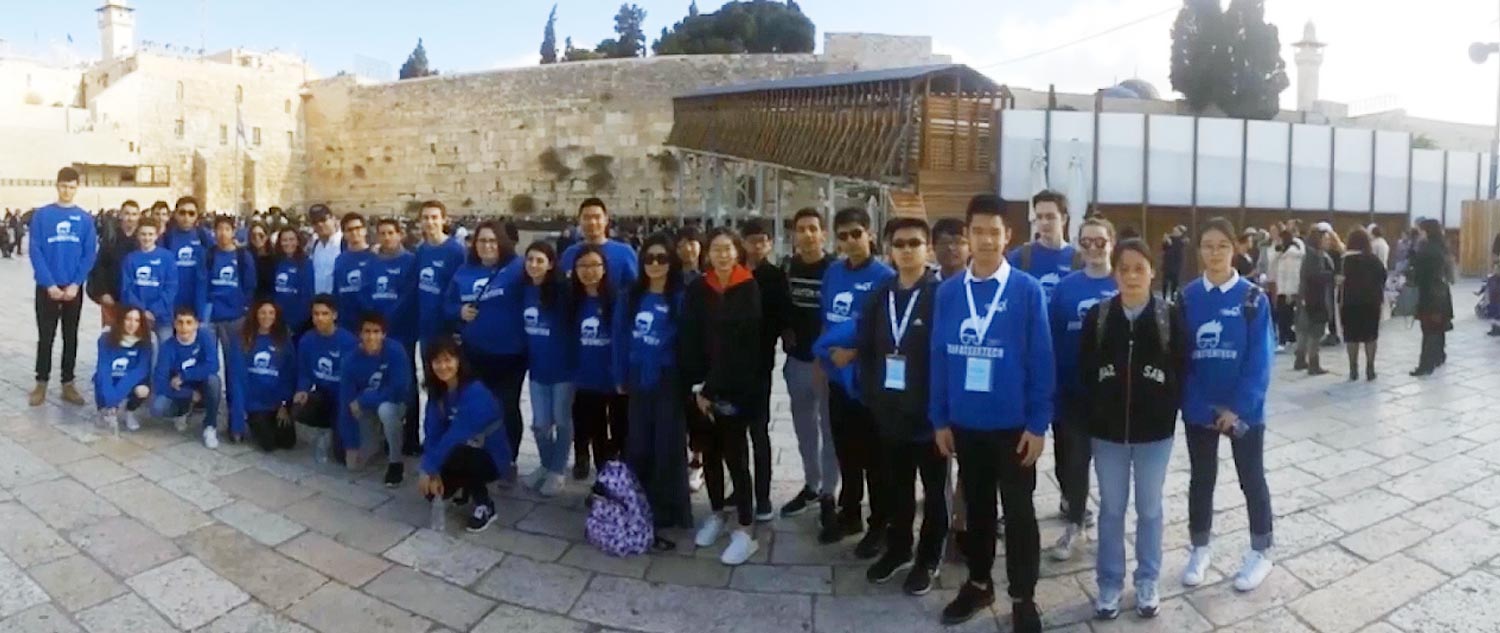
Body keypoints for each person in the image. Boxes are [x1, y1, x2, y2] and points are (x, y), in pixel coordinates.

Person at [929, 194, 1052, 630]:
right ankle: (980, 583)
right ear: (967, 236)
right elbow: (939, 357)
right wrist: (940, 418)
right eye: (977, 232)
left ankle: (1023, 596)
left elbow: (1042, 361)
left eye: (993, 232)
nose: (985, 240)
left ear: (1008, 236)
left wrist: (1038, 424)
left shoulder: (1026, 290)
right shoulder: (948, 292)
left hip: (1015, 427)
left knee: (1019, 514)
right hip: (966, 424)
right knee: (977, 510)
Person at [1077, 238, 1185, 620]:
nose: (1132, 275)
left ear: (1152, 272)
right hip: (1107, 434)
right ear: (1115, 272)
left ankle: (1147, 578)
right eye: (1124, 268)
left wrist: (1167, 407)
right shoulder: (1100, 316)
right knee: (1111, 509)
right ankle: (1109, 582)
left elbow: (1182, 369)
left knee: (1150, 508)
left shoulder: (1169, 316)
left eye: (1140, 268)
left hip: (1155, 434)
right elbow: (1085, 371)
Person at [842, 217, 947, 594]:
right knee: (896, 487)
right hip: (889, 413)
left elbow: (947, 357)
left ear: (928, 248)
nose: (906, 250)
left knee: (934, 493)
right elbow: (867, 350)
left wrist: (942, 412)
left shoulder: (941, 295)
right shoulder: (880, 295)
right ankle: (899, 547)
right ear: (889, 249)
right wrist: (873, 398)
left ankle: (929, 556)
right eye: (899, 244)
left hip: (929, 417)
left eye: (914, 243)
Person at [1179, 217, 1276, 593]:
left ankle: (1261, 549)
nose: (1215, 253)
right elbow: (1182, 359)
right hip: (1200, 409)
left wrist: (1238, 407)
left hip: (1243, 413)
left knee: (1252, 478)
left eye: (1222, 245)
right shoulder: (1187, 298)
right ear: (1199, 250)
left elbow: (1260, 359)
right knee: (1201, 479)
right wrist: (1201, 408)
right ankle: (1200, 547)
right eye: (1207, 245)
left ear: (1235, 248)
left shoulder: (1253, 298)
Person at [683, 227, 764, 566]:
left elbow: (743, 345)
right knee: (710, 453)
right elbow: (690, 336)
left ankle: (746, 527)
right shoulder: (699, 288)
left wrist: (713, 388)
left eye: (727, 248)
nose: (722, 254)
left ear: (737, 251)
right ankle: (717, 512)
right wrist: (697, 387)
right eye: (715, 248)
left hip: (735, 387)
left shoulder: (748, 287)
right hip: (702, 389)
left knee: (736, 457)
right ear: (707, 253)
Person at [820, 206, 896, 550]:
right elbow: (827, 320)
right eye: (843, 236)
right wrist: (826, 360)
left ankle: (879, 522)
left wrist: (854, 353)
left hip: (869, 381)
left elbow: (888, 331)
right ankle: (848, 512)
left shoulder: (884, 277)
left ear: (870, 235)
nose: (850, 241)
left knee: (875, 458)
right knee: (846, 453)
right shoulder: (833, 273)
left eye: (856, 234)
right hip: (839, 380)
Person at [1046, 217, 1119, 560]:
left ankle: (1112, 526)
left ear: (1111, 243)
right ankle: (1075, 521)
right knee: (1073, 462)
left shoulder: (1123, 283)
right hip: (1072, 391)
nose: (1092, 248)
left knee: (1111, 466)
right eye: (1086, 242)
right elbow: (1051, 337)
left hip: (1113, 394)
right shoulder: (1066, 287)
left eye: (1099, 242)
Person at [617, 233, 693, 542]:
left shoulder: (681, 296)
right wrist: (620, 375)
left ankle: (668, 506)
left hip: (667, 379)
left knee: (667, 443)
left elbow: (688, 342)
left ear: (671, 262)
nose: (655, 264)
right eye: (649, 258)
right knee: (639, 441)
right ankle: (639, 502)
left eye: (661, 258)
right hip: (638, 377)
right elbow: (621, 338)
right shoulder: (632, 295)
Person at [446, 221, 526, 480]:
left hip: (510, 355)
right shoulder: (463, 272)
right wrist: (458, 311)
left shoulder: (516, 269)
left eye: (492, 241)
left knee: (506, 408)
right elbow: (446, 305)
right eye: (482, 241)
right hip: (475, 353)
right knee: (478, 407)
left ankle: (508, 460)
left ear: (502, 243)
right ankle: (482, 458)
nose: (487, 246)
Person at [778, 208, 838, 523]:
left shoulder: (834, 269)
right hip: (797, 362)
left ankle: (830, 491)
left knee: (830, 430)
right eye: (801, 229)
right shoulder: (788, 268)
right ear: (794, 235)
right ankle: (811, 485)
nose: (808, 234)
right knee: (804, 430)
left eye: (813, 228)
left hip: (826, 365)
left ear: (823, 234)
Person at [417, 337, 513, 533]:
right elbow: (432, 433)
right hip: (459, 450)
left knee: (461, 453)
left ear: (459, 361)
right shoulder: (438, 394)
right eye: (437, 361)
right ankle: (463, 487)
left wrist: (429, 468)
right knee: (431, 492)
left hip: (489, 456)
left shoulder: (476, 392)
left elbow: (456, 435)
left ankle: (484, 504)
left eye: (448, 360)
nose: (443, 366)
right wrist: (429, 472)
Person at [29, 167, 98, 407]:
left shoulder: (84, 219)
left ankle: (68, 382)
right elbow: (35, 251)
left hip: (72, 289)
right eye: (63, 186)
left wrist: (76, 283)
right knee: (46, 337)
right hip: (47, 288)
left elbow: (89, 253)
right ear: (57, 186)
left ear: (77, 188)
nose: (67, 191)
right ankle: (41, 382)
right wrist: (48, 284)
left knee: (71, 336)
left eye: (71, 187)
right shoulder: (42, 215)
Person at [741, 218, 789, 522]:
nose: (757, 246)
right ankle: (741, 489)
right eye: (752, 240)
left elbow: (780, 317)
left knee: (758, 430)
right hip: (730, 364)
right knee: (732, 433)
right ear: (743, 242)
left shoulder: (774, 277)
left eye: (763, 240)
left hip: (758, 363)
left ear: (770, 243)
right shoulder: (733, 272)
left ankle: (763, 495)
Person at [521, 241, 575, 496]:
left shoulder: (563, 292)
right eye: (530, 259)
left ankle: (557, 470)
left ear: (551, 264)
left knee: (562, 421)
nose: (534, 265)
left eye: (540, 260)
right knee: (540, 423)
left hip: (563, 370)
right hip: (537, 369)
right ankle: (546, 464)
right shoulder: (525, 290)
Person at [569, 244, 627, 479]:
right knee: (594, 430)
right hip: (585, 379)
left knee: (620, 431)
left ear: (604, 269)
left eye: (594, 265)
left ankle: (615, 476)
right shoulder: (572, 301)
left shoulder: (618, 300)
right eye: (582, 266)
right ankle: (600, 474)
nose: (588, 271)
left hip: (614, 380)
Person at [365, 218, 420, 456]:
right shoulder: (373, 262)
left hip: (401, 332)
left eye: (391, 233)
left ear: (400, 235)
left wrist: (386, 320)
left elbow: (408, 296)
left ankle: (411, 437)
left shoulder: (410, 261)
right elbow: (367, 291)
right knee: (381, 379)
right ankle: (385, 435)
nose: (386, 237)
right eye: (382, 233)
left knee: (406, 383)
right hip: (377, 333)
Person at [339, 313, 412, 483]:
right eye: (367, 331)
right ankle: (376, 441)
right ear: (360, 334)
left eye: (376, 331)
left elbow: (399, 389)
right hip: (366, 409)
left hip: (395, 403)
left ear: (384, 334)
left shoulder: (396, 351)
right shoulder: (350, 360)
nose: (371, 336)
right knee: (353, 465)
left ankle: (395, 462)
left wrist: (364, 399)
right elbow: (346, 401)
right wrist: (351, 444)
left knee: (386, 411)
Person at [206, 215, 258, 440]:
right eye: (219, 229)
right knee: (209, 365)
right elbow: (203, 282)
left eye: (227, 229)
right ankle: (208, 415)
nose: (222, 233)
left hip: (235, 318)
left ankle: (235, 419)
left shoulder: (242, 256)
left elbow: (250, 285)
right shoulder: (209, 255)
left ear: (233, 231)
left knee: (234, 368)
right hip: (212, 317)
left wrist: (243, 309)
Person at [293, 295, 358, 463]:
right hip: (323, 394)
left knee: (343, 458)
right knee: (298, 408)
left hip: (344, 397)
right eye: (316, 314)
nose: (320, 318)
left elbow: (356, 379)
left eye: (324, 313)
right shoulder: (306, 340)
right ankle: (327, 428)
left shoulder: (348, 342)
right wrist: (302, 390)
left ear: (334, 315)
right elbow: (304, 372)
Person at [151, 306, 224, 447]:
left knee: (214, 380)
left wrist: (184, 376)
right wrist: (188, 393)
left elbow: (213, 365)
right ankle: (182, 412)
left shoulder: (204, 337)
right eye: (180, 322)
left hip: (199, 383)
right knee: (157, 407)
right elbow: (159, 381)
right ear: (174, 324)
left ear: (196, 324)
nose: (184, 327)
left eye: (189, 322)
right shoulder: (168, 347)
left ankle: (210, 426)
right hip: (181, 389)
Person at [414, 200, 466, 376]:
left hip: (446, 329)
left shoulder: (456, 251)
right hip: (426, 329)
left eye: (434, 217)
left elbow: (460, 291)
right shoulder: (421, 250)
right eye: (426, 218)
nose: (430, 222)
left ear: (444, 220)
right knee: (430, 379)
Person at [239, 299, 297, 452]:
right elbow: (239, 376)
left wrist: (284, 404)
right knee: (268, 445)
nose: (267, 317)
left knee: (288, 442)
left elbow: (289, 374)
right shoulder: (245, 339)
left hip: (276, 402)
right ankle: (253, 422)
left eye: (271, 313)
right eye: (263, 312)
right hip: (254, 403)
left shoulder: (283, 340)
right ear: (255, 314)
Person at [120, 218, 179, 356]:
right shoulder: (130, 259)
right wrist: (142, 311)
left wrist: (153, 310)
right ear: (138, 235)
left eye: (150, 234)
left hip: (163, 317)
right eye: (143, 234)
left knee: (164, 354)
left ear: (157, 235)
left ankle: (161, 378)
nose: (147, 238)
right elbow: (126, 289)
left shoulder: (167, 258)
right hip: (137, 319)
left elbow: (171, 288)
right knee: (139, 354)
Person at [1008, 190, 1081, 300]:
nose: (1044, 222)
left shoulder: (1078, 260)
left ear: (1064, 219)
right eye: (1039, 217)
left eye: (1050, 217)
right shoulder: (1020, 257)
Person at [94, 306, 153, 433]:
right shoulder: (105, 339)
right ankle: (103, 409)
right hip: (112, 378)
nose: (132, 324)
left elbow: (141, 370)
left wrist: (117, 395)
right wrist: (110, 398)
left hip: (130, 379)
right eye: (128, 319)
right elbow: (104, 368)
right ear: (121, 320)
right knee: (100, 380)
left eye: (136, 320)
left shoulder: (145, 342)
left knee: (143, 390)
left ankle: (129, 411)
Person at [1341, 229, 1387, 381]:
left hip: (1350, 303)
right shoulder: (1373, 259)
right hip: (1371, 302)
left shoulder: (1345, 260)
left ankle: (1353, 369)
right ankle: (1370, 368)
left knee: (1351, 337)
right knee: (1370, 337)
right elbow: (1383, 276)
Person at [560, 198, 639, 287]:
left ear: (606, 220)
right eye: (586, 218)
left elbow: (635, 288)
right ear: (579, 221)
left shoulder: (625, 253)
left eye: (597, 217)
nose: (592, 222)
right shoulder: (569, 254)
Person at [1409, 218, 1453, 376]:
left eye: (1421, 230)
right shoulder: (1441, 247)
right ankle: (1439, 356)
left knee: (1429, 330)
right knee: (1438, 328)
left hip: (1429, 295)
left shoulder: (1426, 250)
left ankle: (1426, 365)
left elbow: (1417, 273)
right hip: (1441, 293)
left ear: (1426, 231)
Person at [88, 199, 141, 327]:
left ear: (139, 216)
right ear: (121, 215)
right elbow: (100, 267)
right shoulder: (111, 238)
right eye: (127, 214)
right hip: (112, 298)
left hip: (138, 300)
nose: (130, 218)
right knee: (112, 338)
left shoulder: (143, 238)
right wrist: (103, 292)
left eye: (134, 214)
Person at [163, 197, 212, 322]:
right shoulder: (166, 237)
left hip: (198, 302)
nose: (186, 217)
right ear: (175, 214)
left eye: (191, 213)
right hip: (171, 303)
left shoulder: (203, 236)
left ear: (197, 216)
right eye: (182, 213)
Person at [1294, 227, 1335, 376]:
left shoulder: (1311, 254)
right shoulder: (1314, 255)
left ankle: (1300, 359)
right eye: (1325, 239)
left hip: (1308, 297)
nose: (1328, 242)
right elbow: (1314, 276)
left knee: (1304, 329)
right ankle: (1313, 363)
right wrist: (1331, 276)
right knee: (1314, 332)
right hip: (1315, 298)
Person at [271, 227, 315, 338]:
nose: (288, 243)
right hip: (277, 322)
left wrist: (294, 324)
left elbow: (307, 296)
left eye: (292, 239)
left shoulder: (305, 263)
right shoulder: (276, 262)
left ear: (298, 241)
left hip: (298, 325)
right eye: (284, 240)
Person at [333, 213, 374, 332]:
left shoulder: (375, 256)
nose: (354, 233)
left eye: (358, 228)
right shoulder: (340, 260)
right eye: (349, 230)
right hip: (345, 323)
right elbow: (336, 290)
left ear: (365, 230)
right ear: (344, 234)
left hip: (369, 322)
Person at [1270, 230, 1304, 350]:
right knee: (1284, 316)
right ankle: (1290, 338)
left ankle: (1283, 341)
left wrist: (1289, 292)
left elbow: (1292, 275)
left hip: (1288, 290)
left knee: (1285, 317)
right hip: (1282, 289)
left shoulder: (1292, 255)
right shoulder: (1282, 254)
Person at [308, 204, 344, 296]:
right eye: (315, 222)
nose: (319, 224)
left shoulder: (344, 243)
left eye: (323, 220)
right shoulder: (313, 246)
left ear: (333, 219)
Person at [248, 221, 276, 300]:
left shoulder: (274, 258)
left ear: (267, 236)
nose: (257, 239)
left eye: (261, 235)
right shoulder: (245, 257)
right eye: (253, 236)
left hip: (269, 301)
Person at [1161, 226, 1186, 297]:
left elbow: (1177, 249)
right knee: (1165, 282)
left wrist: (1170, 243)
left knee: (1174, 282)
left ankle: (1173, 298)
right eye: (1173, 230)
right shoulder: (1170, 238)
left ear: (1180, 233)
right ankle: (1164, 297)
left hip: (1176, 265)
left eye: (1176, 231)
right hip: (1167, 264)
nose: (1173, 232)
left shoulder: (1182, 240)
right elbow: (1164, 248)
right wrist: (1164, 240)